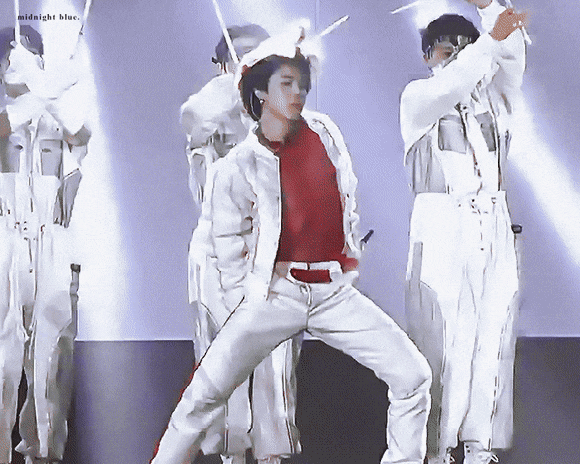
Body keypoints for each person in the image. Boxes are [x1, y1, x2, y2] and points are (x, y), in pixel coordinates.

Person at [152, 27, 432, 464]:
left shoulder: (325, 131)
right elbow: (227, 242)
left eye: (301, 83)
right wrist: (246, 302)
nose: (299, 92)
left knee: (413, 376)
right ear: (259, 92)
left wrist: (348, 256)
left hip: (332, 293)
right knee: (203, 396)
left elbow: (346, 194)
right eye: (286, 83)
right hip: (275, 294)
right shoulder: (238, 162)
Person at [399, 1, 528, 463]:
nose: (455, 55)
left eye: (463, 46)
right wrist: (487, 42)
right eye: (445, 48)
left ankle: (479, 444)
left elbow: (511, 57)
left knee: (490, 335)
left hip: (492, 223)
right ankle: (437, 449)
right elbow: (455, 80)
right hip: (443, 225)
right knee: (445, 338)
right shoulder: (419, 98)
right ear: (427, 56)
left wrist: (491, 10)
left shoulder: (494, 100)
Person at [180, 25, 301, 464]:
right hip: (218, 255)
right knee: (222, 361)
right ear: (223, 65)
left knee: (275, 365)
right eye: (246, 57)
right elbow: (193, 116)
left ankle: (271, 455)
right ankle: (230, 455)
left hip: (271, 255)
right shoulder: (207, 111)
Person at [0, 26, 91, 464]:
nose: (18, 67)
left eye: (29, 57)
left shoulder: (61, 116)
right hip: (6, 243)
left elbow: (81, 134)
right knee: (3, 358)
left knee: (52, 356)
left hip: (53, 241)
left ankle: (45, 449)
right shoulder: (7, 115)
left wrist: (47, 90)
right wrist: (46, 89)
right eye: (11, 60)